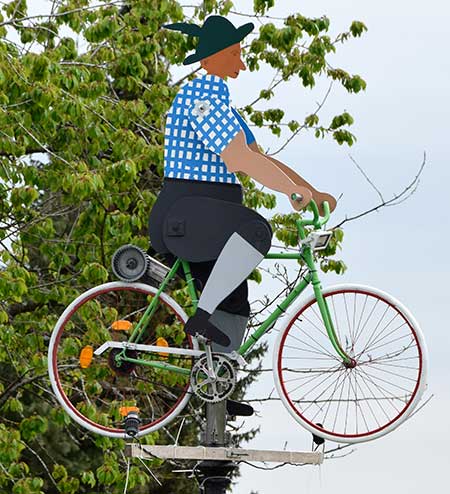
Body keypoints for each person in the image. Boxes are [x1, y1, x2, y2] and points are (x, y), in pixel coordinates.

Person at [149, 16, 337, 352]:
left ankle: (219, 377)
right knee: (256, 231)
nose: (242, 63)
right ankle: (201, 317)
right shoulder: (200, 95)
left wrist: (310, 190)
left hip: (207, 217)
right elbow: (238, 158)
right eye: (234, 54)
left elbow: (258, 155)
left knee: (235, 302)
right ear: (209, 58)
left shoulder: (224, 105)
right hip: (187, 216)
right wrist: (289, 191)